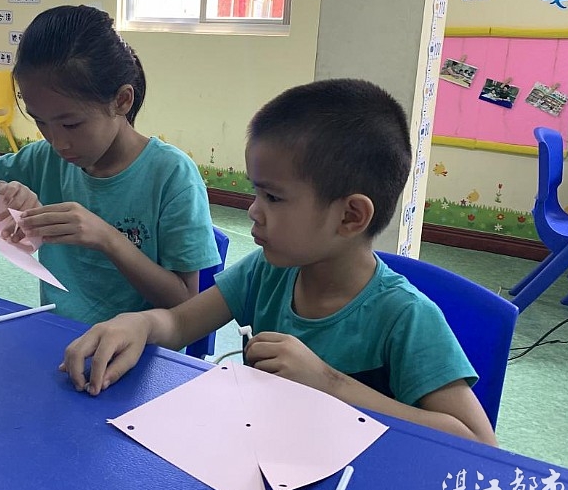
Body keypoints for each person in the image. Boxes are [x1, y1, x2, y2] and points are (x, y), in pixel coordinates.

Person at [60, 78, 498, 446]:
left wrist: (329, 383)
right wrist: (138, 324)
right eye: (256, 192)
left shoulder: (406, 317)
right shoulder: (267, 271)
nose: (253, 211)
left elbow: (478, 443)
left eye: (272, 197)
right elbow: (179, 323)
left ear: (350, 216)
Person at [0, 5, 221, 325]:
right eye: (41, 122)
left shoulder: (171, 175)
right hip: (59, 334)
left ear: (122, 101)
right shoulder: (45, 159)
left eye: (71, 124)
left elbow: (186, 302)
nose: (58, 142)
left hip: (139, 346)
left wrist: (108, 239)